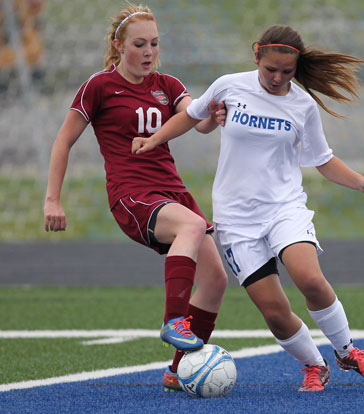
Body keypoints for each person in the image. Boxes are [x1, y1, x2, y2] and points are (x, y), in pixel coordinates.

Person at [132, 24, 364, 392]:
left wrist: (362, 182)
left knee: (310, 279)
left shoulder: (302, 105)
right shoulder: (229, 86)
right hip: (236, 220)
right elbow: (191, 117)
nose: (278, 78)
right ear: (257, 55)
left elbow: (322, 159)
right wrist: (153, 139)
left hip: (284, 208)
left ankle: (347, 350)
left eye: (287, 72)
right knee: (274, 311)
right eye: (271, 70)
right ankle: (314, 365)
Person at [43, 4, 228, 392]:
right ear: (118, 45)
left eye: (155, 44)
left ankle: (178, 372)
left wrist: (215, 114)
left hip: (173, 191)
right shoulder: (99, 86)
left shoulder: (168, 85)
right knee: (192, 226)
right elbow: (63, 141)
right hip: (133, 193)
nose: (148, 52)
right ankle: (173, 320)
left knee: (215, 280)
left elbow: (200, 124)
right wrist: (52, 200)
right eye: (139, 44)